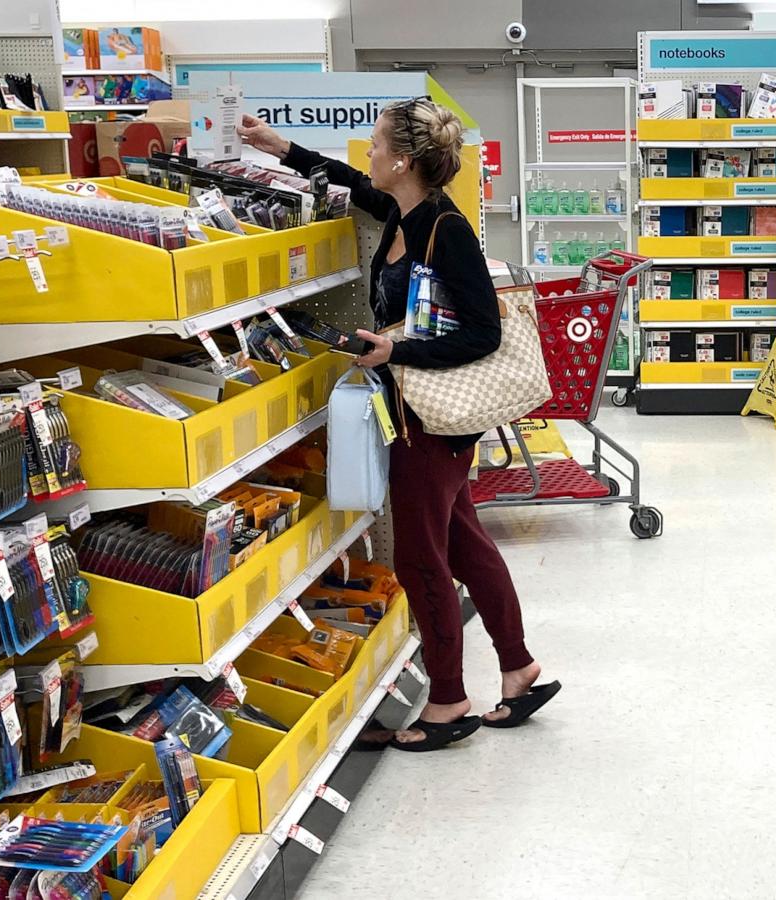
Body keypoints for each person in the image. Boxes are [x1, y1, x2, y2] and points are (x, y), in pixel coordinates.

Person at [237, 99, 559, 751]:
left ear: (404, 161)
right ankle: (519, 669)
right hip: (416, 412)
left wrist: (396, 352)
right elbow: (351, 181)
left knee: (420, 561)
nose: (369, 155)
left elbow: (483, 332)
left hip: (432, 421)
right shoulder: (401, 211)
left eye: (378, 145)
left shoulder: (447, 229)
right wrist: (282, 149)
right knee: (464, 542)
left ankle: (447, 702)